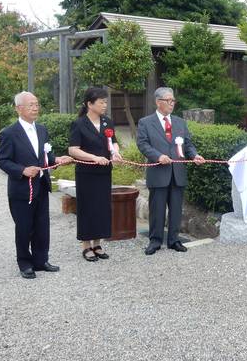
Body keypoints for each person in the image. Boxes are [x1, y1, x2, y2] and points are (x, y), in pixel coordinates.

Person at [0, 91, 73, 279]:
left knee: (42, 224)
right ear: (18, 108)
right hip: (22, 189)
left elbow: (45, 157)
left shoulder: (42, 130)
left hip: (41, 184)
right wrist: (22, 170)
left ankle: (41, 260)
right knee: (24, 226)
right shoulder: (9, 133)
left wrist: (58, 159)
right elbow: (2, 160)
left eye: (37, 104)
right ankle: (24, 262)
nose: (35, 108)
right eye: (31, 104)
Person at [136, 87, 205, 255]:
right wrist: (158, 156)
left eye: (173, 100)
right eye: (168, 100)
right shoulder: (145, 122)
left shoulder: (180, 122)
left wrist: (195, 155)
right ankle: (155, 240)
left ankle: (174, 240)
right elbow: (143, 144)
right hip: (158, 172)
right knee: (157, 209)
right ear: (158, 102)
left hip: (177, 172)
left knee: (176, 209)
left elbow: (187, 144)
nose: (172, 104)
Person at [68, 87, 122, 262]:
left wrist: (115, 153)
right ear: (89, 104)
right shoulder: (79, 124)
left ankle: (97, 243)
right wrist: (94, 158)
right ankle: (86, 245)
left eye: (105, 102)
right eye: (101, 102)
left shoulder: (107, 122)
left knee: (102, 208)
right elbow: (73, 150)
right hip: (86, 173)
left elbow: (113, 142)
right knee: (87, 208)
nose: (105, 105)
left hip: (104, 172)